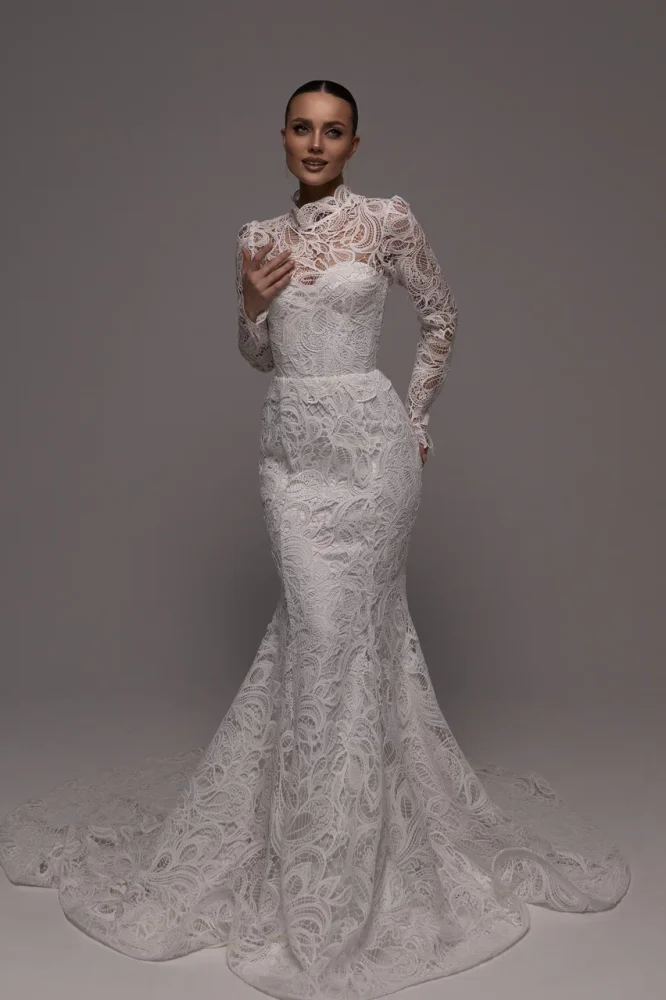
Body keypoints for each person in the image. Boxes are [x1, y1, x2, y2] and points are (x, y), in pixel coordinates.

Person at [0, 80, 630, 1000]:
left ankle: (345, 869)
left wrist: (416, 415)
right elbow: (261, 355)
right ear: (284, 137)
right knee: (318, 634)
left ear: (355, 144)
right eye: (303, 127)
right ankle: (306, 850)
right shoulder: (259, 238)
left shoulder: (386, 220)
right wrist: (248, 304)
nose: (317, 142)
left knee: (349, 638)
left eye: (334, 131)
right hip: (292, 459)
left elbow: (442, 314)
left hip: (371, 454)